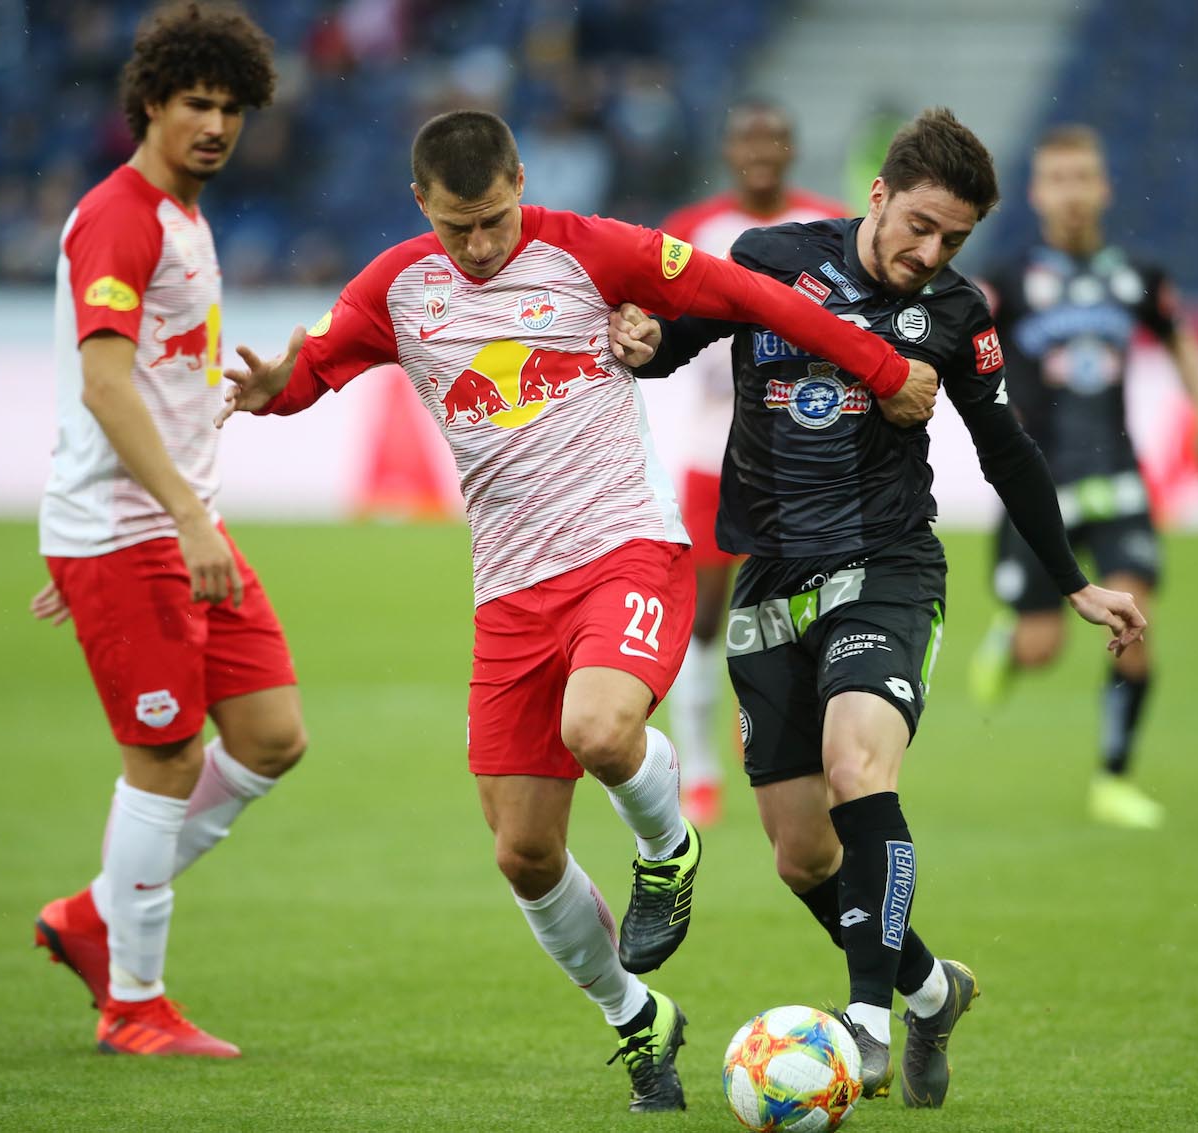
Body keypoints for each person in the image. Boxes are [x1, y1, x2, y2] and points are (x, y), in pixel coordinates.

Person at [214, 109, 939, 1112]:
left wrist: (884, 367)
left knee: (598, 727)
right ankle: (637, 1017)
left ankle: (667, 849)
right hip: (509, 593)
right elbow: (318, 365)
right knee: (522, 851)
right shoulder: (396, 287)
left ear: (521, 181)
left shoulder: (594, 250)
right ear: (421, 205)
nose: (480, 244)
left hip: (624, 550)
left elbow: (751, 294)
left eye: (495, 218)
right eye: (459, 226)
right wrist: (274, 386)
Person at [612, 107, 1146, 1107]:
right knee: (801, 853)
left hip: (886, 567)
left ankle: (866, 1020)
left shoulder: (957, 312)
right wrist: (643, 339)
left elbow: (1006, 449)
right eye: (919, 226)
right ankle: (932, 989)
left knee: (860, 768)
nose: (929, 253)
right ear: (877, 196)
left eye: (953, 239)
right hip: (769, 577)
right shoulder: (772, 259)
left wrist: (1073, 582)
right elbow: (675, 341)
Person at [26, 2, 306, 1059]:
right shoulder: (122, 217)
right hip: (140, 531)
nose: (216, 125)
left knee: (271, 734)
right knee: (168, 754)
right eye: (197, 103)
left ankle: (95, 912)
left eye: (232, 108)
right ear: (149, 102)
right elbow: (103, 383)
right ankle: (132, 1003)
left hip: (171, 526)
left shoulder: (185, 214)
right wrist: (149, 529)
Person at [967, 124, 1198, 830]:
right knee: (1040, 649)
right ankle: (1010, 637)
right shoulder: (1009, 280)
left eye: (1083, 177)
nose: (1072, 193)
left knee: (1136, 619)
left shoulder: (1137, 275)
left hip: (1118, 475)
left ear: (1104, 188)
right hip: (1039, 485)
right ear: (1036, 192)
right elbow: (960, 345)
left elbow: (1180, 337)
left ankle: (1114, 778)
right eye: (1058, 179)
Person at [652, 99, 850, 829]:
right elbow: (649, 308)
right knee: (706, 614)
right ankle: (699, 769)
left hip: (805, 453)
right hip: (716, 449)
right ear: (730, 151)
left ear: (791, 147)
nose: (761, 151)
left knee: (809, 613)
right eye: (748, 140)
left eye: (773, 139)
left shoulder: (828, 225)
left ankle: (797, 748)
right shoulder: (694, 229)